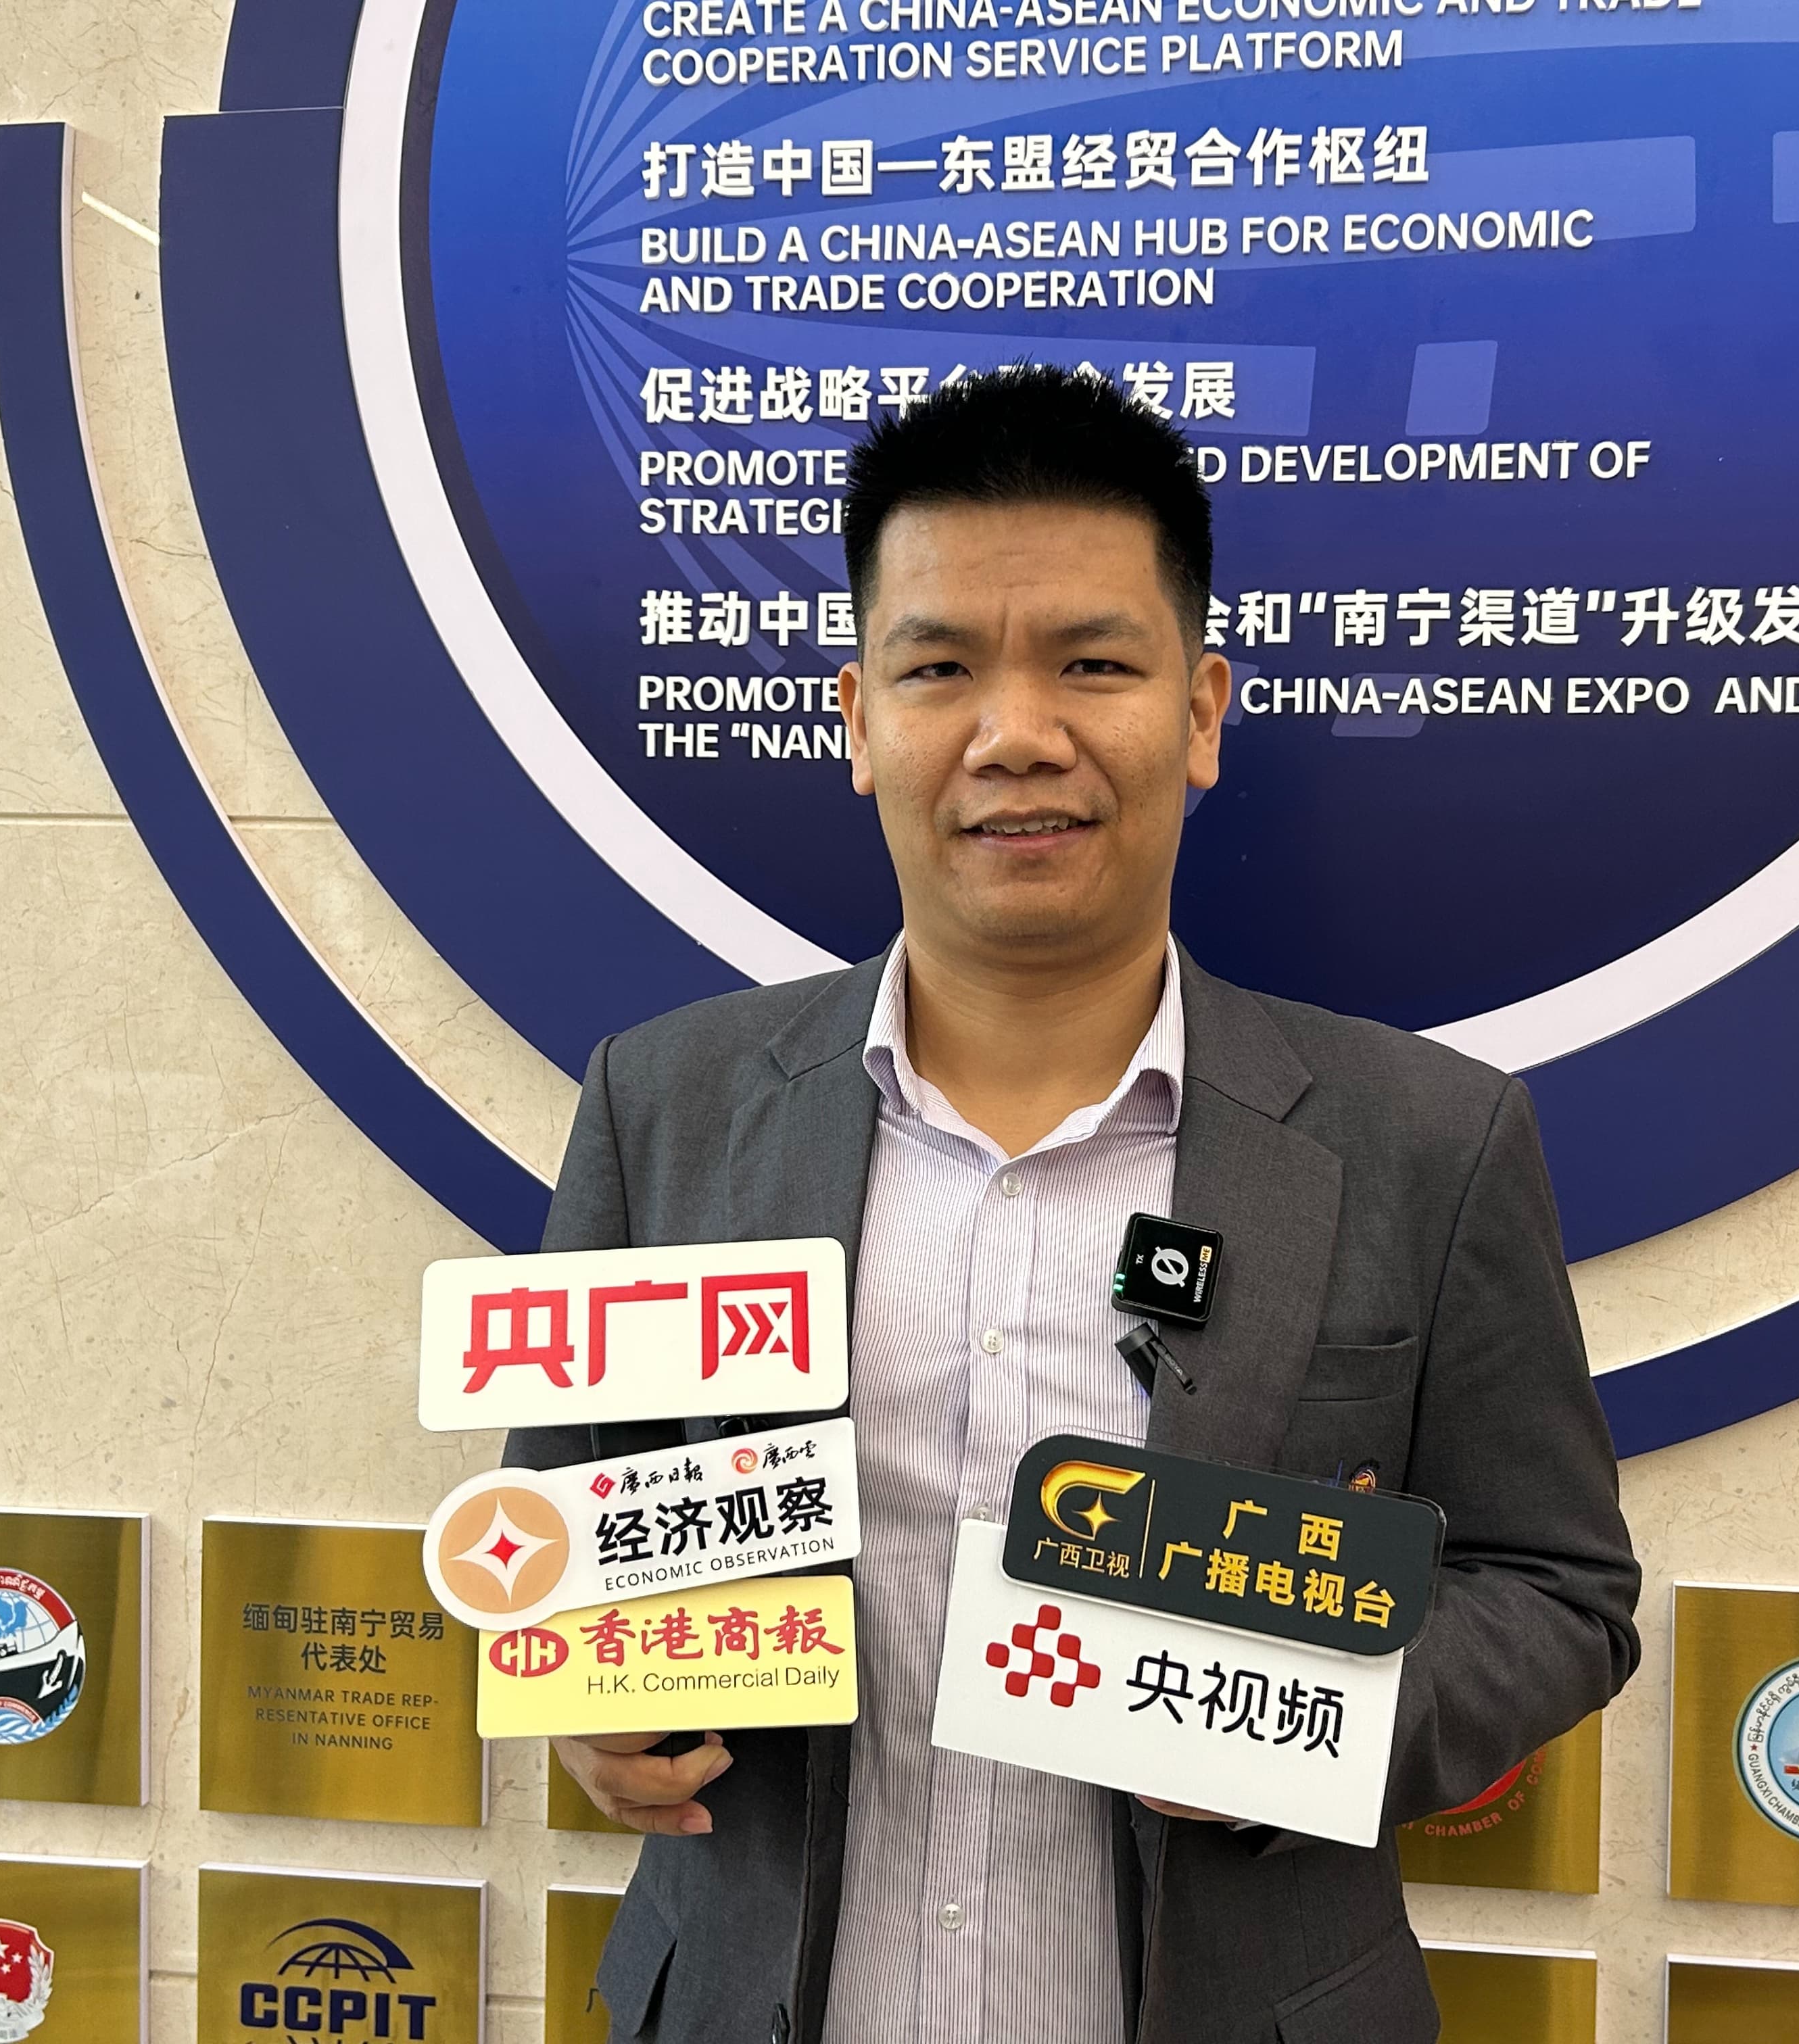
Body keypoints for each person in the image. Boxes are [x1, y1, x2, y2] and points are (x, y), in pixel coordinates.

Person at [504, 365, 1641, 2044]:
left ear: (1201, 712)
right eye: (940, 668)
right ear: (859, 720)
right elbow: (556, 1538)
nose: (1016, 733)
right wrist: (589, 1708)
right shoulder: (661, 1105)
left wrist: (1299, 1721)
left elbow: (1556, 1590)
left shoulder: (1427, 1141)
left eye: (1094, 664)